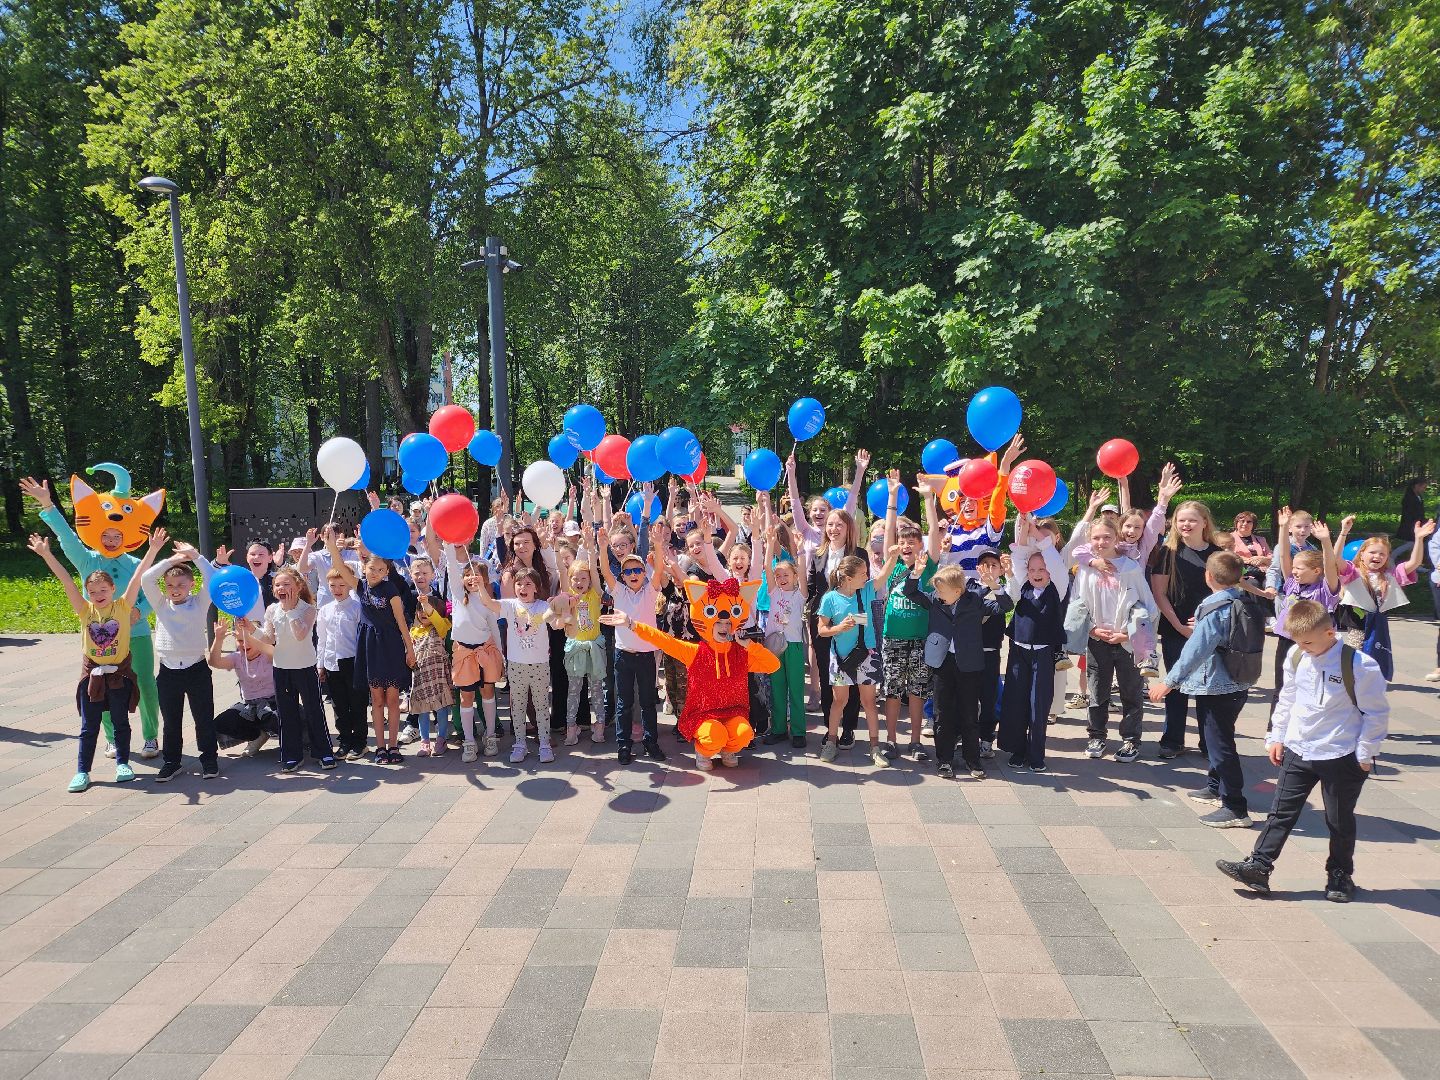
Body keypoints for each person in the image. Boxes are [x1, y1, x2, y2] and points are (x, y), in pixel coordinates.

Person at [1215, 599, 1389, 902]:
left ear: (1330, 632)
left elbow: (1376, 713)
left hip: (1340, 752)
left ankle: (1340, 875)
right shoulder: (1297, 655)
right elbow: (1287, 698)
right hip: (1299, 748)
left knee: (1338, 820)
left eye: (1309, 641)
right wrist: (1277, 736)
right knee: (1280, 813)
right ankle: (1258, 866)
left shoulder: (1359, 665)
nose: (1303, 647)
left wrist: (1364, 754)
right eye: (1298, 641)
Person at [21, 476, 163, 760]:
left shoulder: (136, 564)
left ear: (126, 537)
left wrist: (140, 611)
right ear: (98, 535)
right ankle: (111, 739)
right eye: (107, 536)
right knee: (103, 685)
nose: (111, 541)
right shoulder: (87, 560)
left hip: (136, 635)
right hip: (101, 639)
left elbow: (151, 596)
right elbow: (66, 537)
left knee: (146, 683)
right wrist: (47, 503)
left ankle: (150, 737)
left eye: (117, 537)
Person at [28, 528, 163, 793]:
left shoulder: (123, 607)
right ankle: (82, 771)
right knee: (89, 726)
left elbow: (137, 578)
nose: (98, 594)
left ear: (113, 589)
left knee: (121, 721)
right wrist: (46, 555)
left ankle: (124, 764)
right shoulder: (84, 609)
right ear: (87, 593)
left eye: (103, 589)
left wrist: (154, 549)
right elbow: (67, 580)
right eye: (92, 590)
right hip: (92, 675)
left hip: (119, 675)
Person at [1149, 552, 1257, 828]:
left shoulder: (1212, 608)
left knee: (1220, 745)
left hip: (1216, 686)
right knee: (1220, 738)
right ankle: (1214, 786)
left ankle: (1235, 807)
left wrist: (1168, 682)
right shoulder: (1244, 600)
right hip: (1239, 681)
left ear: (1208, 576)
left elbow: (1195, 652)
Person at [1068, 511, 1156, 763]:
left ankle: (1131, 740)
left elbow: (1148, 607)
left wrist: (1125, 634)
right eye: (1096, 538)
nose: (1101, 543)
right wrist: (1092, 629)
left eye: (1107, 537)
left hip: (1126, 641)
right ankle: (1097, 735)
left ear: (1117, 537)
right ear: (1089, 540)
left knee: (1131, 692)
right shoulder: (1086, 569)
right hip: (1097, 639)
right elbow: (1077, 603)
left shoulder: (1130, 569)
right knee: (1098, 691)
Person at [903, 562, 1003, 780]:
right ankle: (944, 760)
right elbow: (909, 591)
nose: (938, 594)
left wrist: (994, 586)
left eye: (941, 590)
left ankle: (972, 760)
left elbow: (1003, 606)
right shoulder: (934, 601)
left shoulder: (974, 601)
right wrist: (915, 573)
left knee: (969, 713)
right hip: (943, 663)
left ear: (957, 591)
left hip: (969, 664)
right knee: (942, 713)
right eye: (937, 590)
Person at [324, 528, 416, 764]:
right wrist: (333, 545)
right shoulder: (360, 586)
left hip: (391, 645)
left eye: (379, 569)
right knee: (376, 699)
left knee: (393, 699)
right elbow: (339, 565)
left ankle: (394, 746)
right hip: (369, 647)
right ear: (363, 568)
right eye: (371, 568)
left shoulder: (392, 590)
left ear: (386, 572)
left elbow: (401, 622)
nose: (374, 572)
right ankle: (380, 747)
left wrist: (410, 648)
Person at [1149, 499, 1223, 758]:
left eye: (1192, 520)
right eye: (1181, 520)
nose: (1186, 525)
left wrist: (1206, 624)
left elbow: (1228, 591)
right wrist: (1179, 625)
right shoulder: (1167, 552)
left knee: (1207, 689)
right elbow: (1159, 593)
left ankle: (1208, 742)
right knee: (1175, 685)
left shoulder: (1216, 553)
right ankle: (1172, 740)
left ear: (1205, 522)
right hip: (1175, 629)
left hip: (1211, 632)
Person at [140, 540, 218, 782]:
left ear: (191, 585)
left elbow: (213, 578)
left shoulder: (200, 602)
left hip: (196, 669)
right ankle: (172, 761)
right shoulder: (161, 604)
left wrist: (195, 556)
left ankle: (209, 760)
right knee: (171, 721)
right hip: (168, 671)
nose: (175, 589)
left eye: (181, 585)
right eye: (170, 585)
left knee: (203, 717)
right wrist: (171, 561)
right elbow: (146, 580)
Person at [879, 473, 943, 761]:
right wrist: (892, 496)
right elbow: (889, 534)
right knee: (892, 692)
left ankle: (915, 741)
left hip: (920, 639)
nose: (906, 546)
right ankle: (891, 740)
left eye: (912, 542)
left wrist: (929, 498)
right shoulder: (891, 563)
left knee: (917, 692)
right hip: (893, 639)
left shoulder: (928, 565)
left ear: (921, 545)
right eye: (902, 542)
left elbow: (934, 533)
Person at [472, 566, 563, 763]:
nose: (523, 587)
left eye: (528, 584)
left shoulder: (542, 606)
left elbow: (557, 624)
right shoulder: (511, 605)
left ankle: (545, 744)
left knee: (541, 706)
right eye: (519, 584)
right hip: (516, 665)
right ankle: (520, 744)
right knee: (518, 707)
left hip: (539, 665)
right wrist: (480, 586)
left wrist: (562, 612)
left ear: (536, 588)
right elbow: (488, 603)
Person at [999, 515, 1067, 771]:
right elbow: (1018, 555)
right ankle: (1017, 751)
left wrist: (1036, 530)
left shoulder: (1057, 586)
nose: (1037, 574)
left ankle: (1036, 754)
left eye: (1042, 569)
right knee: (1016, 702)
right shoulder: (1022, 585)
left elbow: (1051, 555)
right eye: (1033, 569)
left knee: (1038, 705)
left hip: (1043, 654)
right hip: (1019, 651)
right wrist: (1023, 524)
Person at [253, 567, 336, 772]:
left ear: (298, 587)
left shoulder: (308, 608)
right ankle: (292, 755)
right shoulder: (272, 609)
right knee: (286, 713)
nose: (282, 588)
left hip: (305, 667)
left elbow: (300, 635)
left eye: (287, 584)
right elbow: (268, 638)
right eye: (278, 585)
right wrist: (250, 629)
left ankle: (323, 752)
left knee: (313, 710)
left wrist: (290, 611)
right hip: (281, 668)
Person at [598, 527, 667, 764]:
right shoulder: (618, 592)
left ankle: (651, 742)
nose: (634, 573)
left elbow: (658, 570)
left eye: (638, 569)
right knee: (623, 702)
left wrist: (657, 546)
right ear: (623, 576)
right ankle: (624, 745)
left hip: (647, 655)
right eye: (628, 571)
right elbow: (605, 570)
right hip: (623, 655)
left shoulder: (650, 590)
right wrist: (601, 545)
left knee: (648, 702)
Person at [1337, 522, 1436, 681]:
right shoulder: (1353, 572)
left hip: (1378, 622)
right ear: (1362, 554)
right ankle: (1350, 679)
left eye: (1382, 554)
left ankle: (1369, 680)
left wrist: (1418, 539)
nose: (1377, 556)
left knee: (1377, 650)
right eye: (1372, 552)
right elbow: (1336, 560)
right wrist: (1343, 533)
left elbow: (1414, 563)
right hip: (1357, 622)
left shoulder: (1390, 575)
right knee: (1356, 650)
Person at [1270, 510, 1343, 717]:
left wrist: (1326, 541)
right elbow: (1284, 554)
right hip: (1288, 638)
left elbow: (1330, 565)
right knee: (1282, 685)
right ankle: (1274, 729)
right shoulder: (1292, 583)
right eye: (1294, 568)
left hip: (1315, 643)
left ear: (1316, 571)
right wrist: (1283, 528)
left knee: (1312, 685)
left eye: (1299, 568)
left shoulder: (1325, 589)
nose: (1294, 571)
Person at [817, 555, 886, 768]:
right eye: (863, 573)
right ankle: (830, 742)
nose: (867, 576)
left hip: (867, 654)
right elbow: (821, 630)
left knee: (869, 703)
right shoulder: (830, 599)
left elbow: (883, 576)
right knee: (839, 701)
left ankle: (875, 747)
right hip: (840, 657)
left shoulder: (865, 590)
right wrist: (839, 628)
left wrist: (891, 557)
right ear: (847, 578)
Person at [445, 546, 504, 760]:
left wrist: (501, 656)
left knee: (488, 693)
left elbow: (495, 629)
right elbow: (452, 567)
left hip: (486, 651)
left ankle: (490, 735)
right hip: (463, 653)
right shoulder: (459, 595)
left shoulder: (488, 602)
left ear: (486, 579)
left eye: (476, 575)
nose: (472, 578)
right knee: (466, 696)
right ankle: (469, 741)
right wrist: (448, 546)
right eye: (468, 575)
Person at [762, 528, 809, 748]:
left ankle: (799, 731)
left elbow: (803, 572)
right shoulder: (773, 593)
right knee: (777, 687)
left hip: (795, 646)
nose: (781, 578)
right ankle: (779, 728)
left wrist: (799, 550)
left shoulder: (800, 595)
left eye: (785, 575)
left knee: (796, 689)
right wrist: (770, 543)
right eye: (778, 575)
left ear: (794, 577)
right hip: (774, 646)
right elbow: (766, 569)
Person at [557, 540, 607, 747]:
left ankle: (600, 727)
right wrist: (555, 550)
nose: (579, 582)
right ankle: (571, 728)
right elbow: (562, 573)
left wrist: (591, 548)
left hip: (594, 647)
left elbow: (596, 573)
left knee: (597, 690)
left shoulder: (596, 594)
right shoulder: (567, 596)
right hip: (576, 648)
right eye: (575, 579)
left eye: (583, 578)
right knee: (574, 690)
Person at [209, 618, 280, 756]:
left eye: (249, 639)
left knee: (274, 717)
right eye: (240, 640)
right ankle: (257, 736)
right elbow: (214, 662)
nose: (245, 644)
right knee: (220, 723)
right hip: (250, 706)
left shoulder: (268, 655)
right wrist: (218, 639)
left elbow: (272, 650)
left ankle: (291, 741)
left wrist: (250, 636)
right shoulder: (237, 657)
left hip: (274, 703)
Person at [316, 568, 366, 759]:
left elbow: (361, 638)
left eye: (342, 585)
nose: (337, 589)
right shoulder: (326, 610)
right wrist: (320, 664)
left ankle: (360, 742)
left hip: (352, 660)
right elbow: (321, 638)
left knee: (357, 702)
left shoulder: (357, 607)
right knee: (338, 704)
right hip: (331, 662)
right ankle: (345, 740)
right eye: (333, 586)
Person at [406, 559, 454, 757]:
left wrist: (428, 606)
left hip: (439, 676)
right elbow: (408, 648)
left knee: (442, 708)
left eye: (428, 612)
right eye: (421, 611)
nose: (424, 614)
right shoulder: (413, 630)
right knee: (422, 710)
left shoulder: (441, 628)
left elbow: (438, 620)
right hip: (420, 677)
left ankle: (441, 738)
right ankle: (425, 741)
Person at [1394, 477, 1429, 563]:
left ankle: (1414, 563)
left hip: (1417, 523)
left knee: (1415, 544)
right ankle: (1392, 556)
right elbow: (1411, 513)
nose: (1424, 490)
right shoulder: (1409, 498)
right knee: (1412, 543)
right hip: (1410, 524)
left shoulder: (1418, 496)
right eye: (1423, 487)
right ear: (1416, 486)